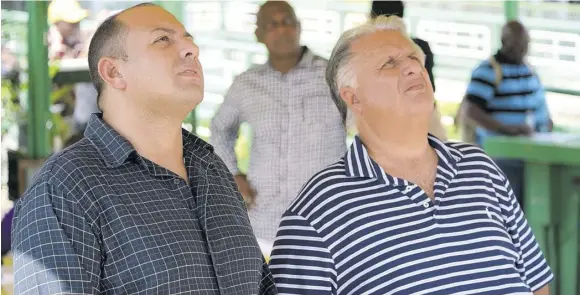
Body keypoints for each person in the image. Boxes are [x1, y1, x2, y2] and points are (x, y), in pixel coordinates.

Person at [269, 15, 552, 295]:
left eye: (414, 59)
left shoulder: (480, 168)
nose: (413, 69)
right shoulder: (318, 210)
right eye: (389, 63)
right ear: (353, 98)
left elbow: (538, 284)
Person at [11, 3, 277, 295]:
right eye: (163, 40)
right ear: (113, 72)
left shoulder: (213, 171)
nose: (192, 50)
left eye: (190, 40)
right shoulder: (65, 190)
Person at [210, 0, 346, 251]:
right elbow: (220, 128)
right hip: (264, 224)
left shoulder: (333, 76)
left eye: (287, 22)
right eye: (272, 24)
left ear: (299, 27)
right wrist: (233, 174)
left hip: (327, 221)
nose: (282, 29)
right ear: (258, 34)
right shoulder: (246, 84)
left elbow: (366, 128)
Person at [460, 20, 552, 206]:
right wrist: (506, 129)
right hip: (500, 153)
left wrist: (547, 124)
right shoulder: (488, 70)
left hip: (532, 149)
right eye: (517, 43)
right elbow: (470, 110)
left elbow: (540, 105)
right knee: (509, 203)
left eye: (525, 43)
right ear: (504, 41)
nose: (522, 48)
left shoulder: (529, 70)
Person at [370, 0, 447, 141]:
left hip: (390, 122)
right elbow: (431, 87)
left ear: (372, 16)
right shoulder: (420, 46)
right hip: (426, 118)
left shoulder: (369, 51)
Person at [48, 0, 100, 135]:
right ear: (56, 24)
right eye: (71, 22)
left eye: (77, 21)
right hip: (57, 117)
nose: (75, 25)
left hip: (79, 116)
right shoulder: (50, 43)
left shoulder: (79, 40)